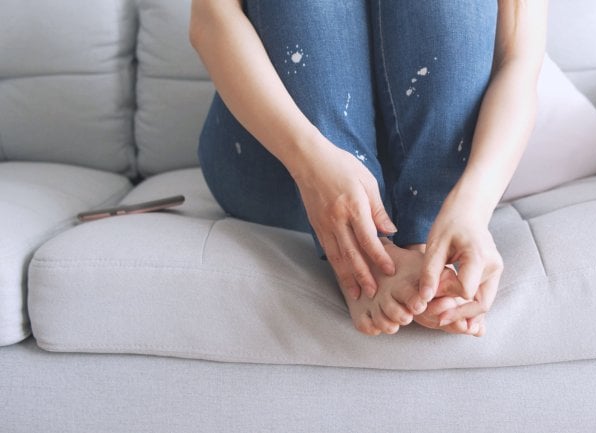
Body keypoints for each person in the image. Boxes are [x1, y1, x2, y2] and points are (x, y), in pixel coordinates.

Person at [190, 0, 547, 337]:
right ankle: (366, 249)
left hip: (435, 175)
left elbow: (518, 60)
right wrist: (310, 162)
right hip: (280, 160)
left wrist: (471, 206)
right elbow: (210, 19)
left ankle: (427, 249)